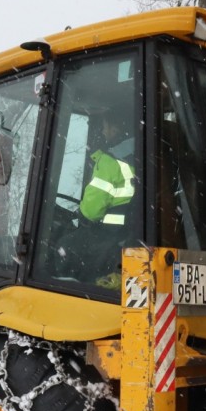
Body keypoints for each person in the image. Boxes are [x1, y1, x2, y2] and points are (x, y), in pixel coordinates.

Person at [58, 111, 136, 287]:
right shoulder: (140, 156)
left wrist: (81, 214)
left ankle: (70, 288)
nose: (102, 132)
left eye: (104, 127)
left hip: (112, 237)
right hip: (130, 234)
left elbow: (91, 212)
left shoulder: (110, 161)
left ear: (115, 128)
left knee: (65, 246)